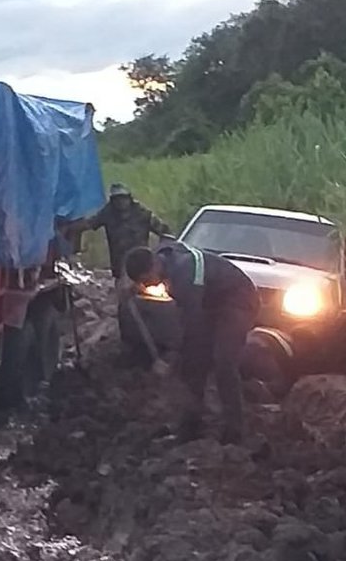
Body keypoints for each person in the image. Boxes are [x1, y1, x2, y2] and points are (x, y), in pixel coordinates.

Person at [125, 240, 260, 444]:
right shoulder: (163, 257)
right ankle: (190, 427)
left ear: (154, 266)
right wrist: (133, 290)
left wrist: (172, 363)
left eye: (147, 280)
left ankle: (235, 432)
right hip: (210, 301)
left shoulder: (183, 274)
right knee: (194, 365)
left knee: (223, 360)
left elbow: (192, 327)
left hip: (238, 299)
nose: (149, 285)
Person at [81, 183, 171, 290]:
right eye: (117, 199)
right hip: (119, 266)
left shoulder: (141, 213)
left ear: (129, 198)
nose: (121, 202)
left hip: (141, 266)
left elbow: (164, 231)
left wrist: (163, 253)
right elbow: (89, 224)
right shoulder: (107, 213)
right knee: (123, 295)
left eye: (123, 198)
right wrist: (69, 227)